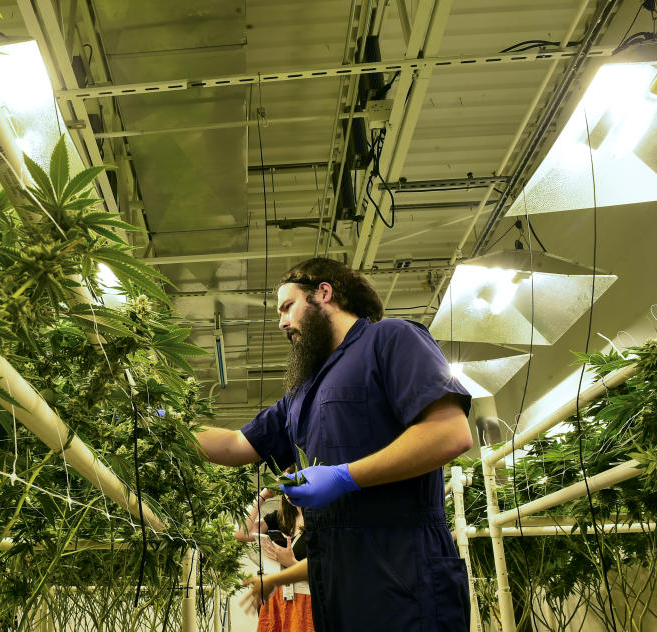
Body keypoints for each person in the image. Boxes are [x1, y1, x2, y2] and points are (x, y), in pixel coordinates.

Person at [196, 258, 473, 631]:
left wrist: (344, 477)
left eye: (287, 306)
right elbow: (233, 444)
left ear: (323, 293)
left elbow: (450, 433)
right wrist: (165, 421)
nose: (281, 322)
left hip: (404, 570)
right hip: (337, 581)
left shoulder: (390, 339)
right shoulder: (302, 393)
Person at [235, 487, 314, 632]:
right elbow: (241, 533)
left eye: (293, 483)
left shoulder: (318, 520)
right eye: (285, 485)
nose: (289, 490)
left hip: (305, 602)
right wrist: (263, 495)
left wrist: (291, 563)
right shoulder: (282, 517)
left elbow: (328, 572)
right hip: (278, 600)